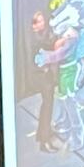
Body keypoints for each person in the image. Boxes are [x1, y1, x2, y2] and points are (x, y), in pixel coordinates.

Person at [27, 10, 61, 153]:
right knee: (47, 106)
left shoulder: (44, 34)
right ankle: (44, 142)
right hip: (40, 76)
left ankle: (43, 133)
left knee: (48, 105)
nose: (43, 23)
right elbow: (48, 44)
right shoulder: (36, 38)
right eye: (39, 21)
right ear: (34, 25)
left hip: (47, 75)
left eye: (43, 20)